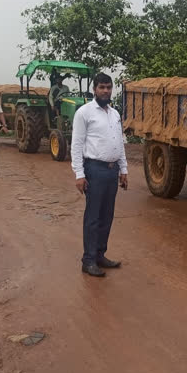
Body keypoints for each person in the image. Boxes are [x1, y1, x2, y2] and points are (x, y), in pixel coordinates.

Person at [71, 72, 128, 278]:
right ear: (94, 89)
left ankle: (100, 255)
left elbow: (119, 143)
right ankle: (88, 260)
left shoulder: (114, 113)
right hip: (94, 170)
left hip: (112, 171)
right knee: (93, 217)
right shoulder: (84, 113)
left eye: (108, 87)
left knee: (107, 216)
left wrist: (123, 169)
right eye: (102, 87)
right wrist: (79, 173)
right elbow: (76, 144)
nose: (106, 91)